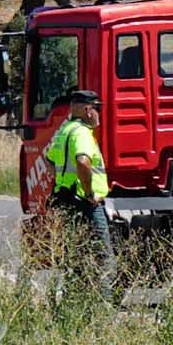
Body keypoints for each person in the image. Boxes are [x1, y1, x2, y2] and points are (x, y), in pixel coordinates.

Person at [44, 89, 115, 294]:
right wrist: (89, 193)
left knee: (75, 255)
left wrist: (64, 180)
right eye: (98, 108)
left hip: (65, 199)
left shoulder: (64, 130)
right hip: (86, 204)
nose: (99, 114)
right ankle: (103, 306)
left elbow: (50, 160)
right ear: (88, 110)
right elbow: (83, 162)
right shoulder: (82, 133)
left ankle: (73, 300)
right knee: (103, 258)